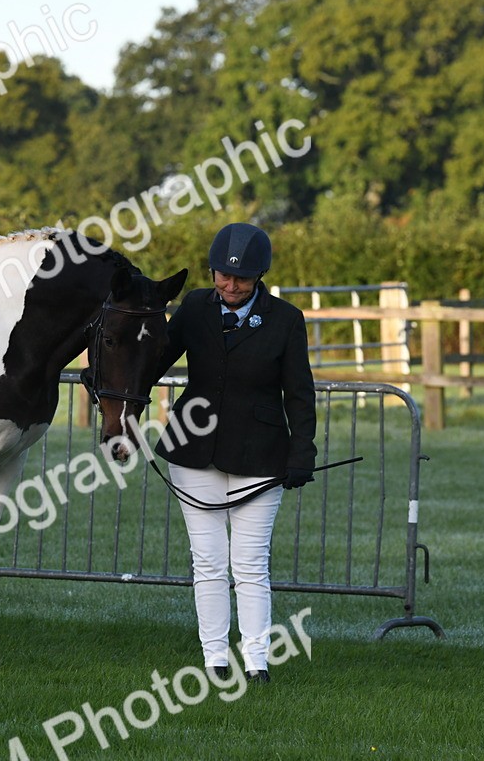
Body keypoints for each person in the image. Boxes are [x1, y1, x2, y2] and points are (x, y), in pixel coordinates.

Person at [153, 222, 316, 683]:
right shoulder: (195, 307)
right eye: (222, 276)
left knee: (249, 563)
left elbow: (300, 395)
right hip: (191, 449)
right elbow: (156, 361)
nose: (229, 285)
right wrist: (113, 377)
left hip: (261, 455)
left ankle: (258, 660)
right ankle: (215, 658)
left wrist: (302, 452)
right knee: (206, 560)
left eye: (240, 279)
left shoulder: (286, 319)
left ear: (260, 276)